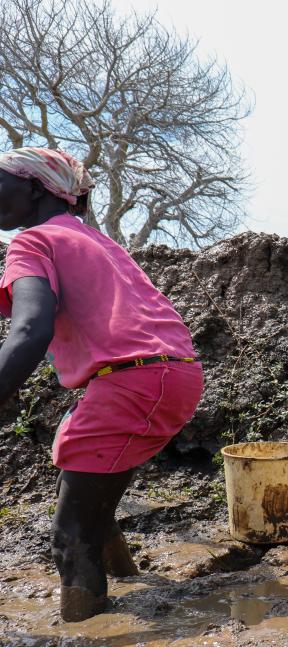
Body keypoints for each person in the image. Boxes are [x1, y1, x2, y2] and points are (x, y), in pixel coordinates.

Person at [0, 147, 204, 621]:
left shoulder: (32, 242)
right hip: (168, 373)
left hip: (132, 380)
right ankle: (125, 575)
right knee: (83, 474)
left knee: (70, 536)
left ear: (33, 187)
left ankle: (87, 637)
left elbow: (30, 329)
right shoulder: (92, 240)